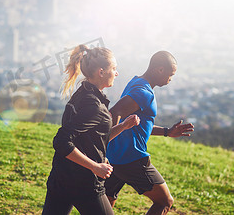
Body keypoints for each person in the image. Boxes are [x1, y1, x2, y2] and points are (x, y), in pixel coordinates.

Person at [42, 45, 140, 215]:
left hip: (61, 177)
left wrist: (123, 127)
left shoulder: (82, 93)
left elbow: (92, 138)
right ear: (101, 72)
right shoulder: (94, 106)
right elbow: (62, 141)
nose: (116, 73)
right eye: (114, 69)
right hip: (84, 184)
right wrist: (95, 166)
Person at [105, 51, 194, 215]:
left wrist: (167, 132)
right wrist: (104, 140)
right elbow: (115, 112)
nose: (170, 79)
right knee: (165, 201)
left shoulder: (136, 82)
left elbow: (137, 124)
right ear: (160, 70)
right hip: (131, 159)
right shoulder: (144, 92)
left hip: (115, 157)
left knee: (107, 203)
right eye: (170, 74)